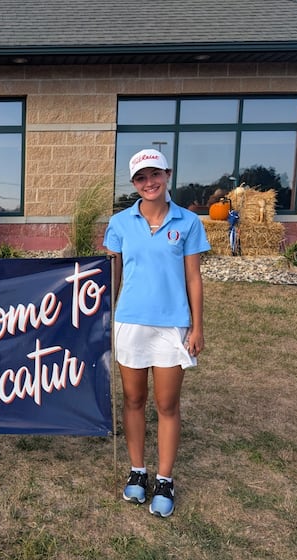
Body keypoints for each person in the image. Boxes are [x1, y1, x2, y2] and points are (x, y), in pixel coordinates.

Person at [103, 148, 210, 517]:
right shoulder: (119, 224)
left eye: (155, 175)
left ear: (167, 175)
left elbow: (193, 277)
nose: (149, 183)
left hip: (172, 326)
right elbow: (112, 276)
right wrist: (103, 320)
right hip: (130, 323)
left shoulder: (189, 222)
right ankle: (138, 471)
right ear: (134, 183)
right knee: (133, 400)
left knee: (167, 404)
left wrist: (197, 326)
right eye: (140, 178)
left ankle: (164, 478)